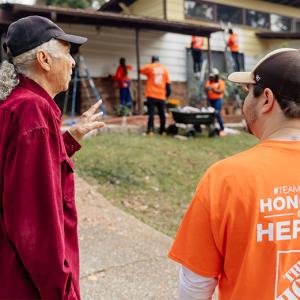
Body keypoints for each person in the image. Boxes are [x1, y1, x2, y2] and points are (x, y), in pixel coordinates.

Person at [168, 48, 300, 299]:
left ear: (267, 100)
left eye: (247, 92)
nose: (245, 101)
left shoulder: (226, 178)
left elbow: (195, 287)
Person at [0, 16, 104, 299]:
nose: (72, 63)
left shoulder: (17, 104)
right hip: (25, 284)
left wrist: (70, 138)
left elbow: (24, 169)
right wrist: (63, 293)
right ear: (44, 60)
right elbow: (34, 225)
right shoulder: (33, 112)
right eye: (67, 53)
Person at [140, 56, 171, 135]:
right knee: (162, 114)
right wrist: (166, 95)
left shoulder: (150, 67)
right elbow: (168, 86)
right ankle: (162, 131)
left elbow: (140, 70)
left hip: (151, 94)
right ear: (158, 61)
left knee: (151, 113)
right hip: (161, 95)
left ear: (152, 61)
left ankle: (150, 130)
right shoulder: (164, 69)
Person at [204, 68, 225, 135]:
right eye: (211, 76)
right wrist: (207, 89)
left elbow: (221, 91)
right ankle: (212, 128)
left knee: (217, 113)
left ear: (216, 76)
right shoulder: (209, 82)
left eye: (213, 76)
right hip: (210, 100)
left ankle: (222, 129)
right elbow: (206, 89)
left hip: (218, 100)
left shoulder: (220, 82)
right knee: (210, 114)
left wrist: (213, 89)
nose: (211, 78)